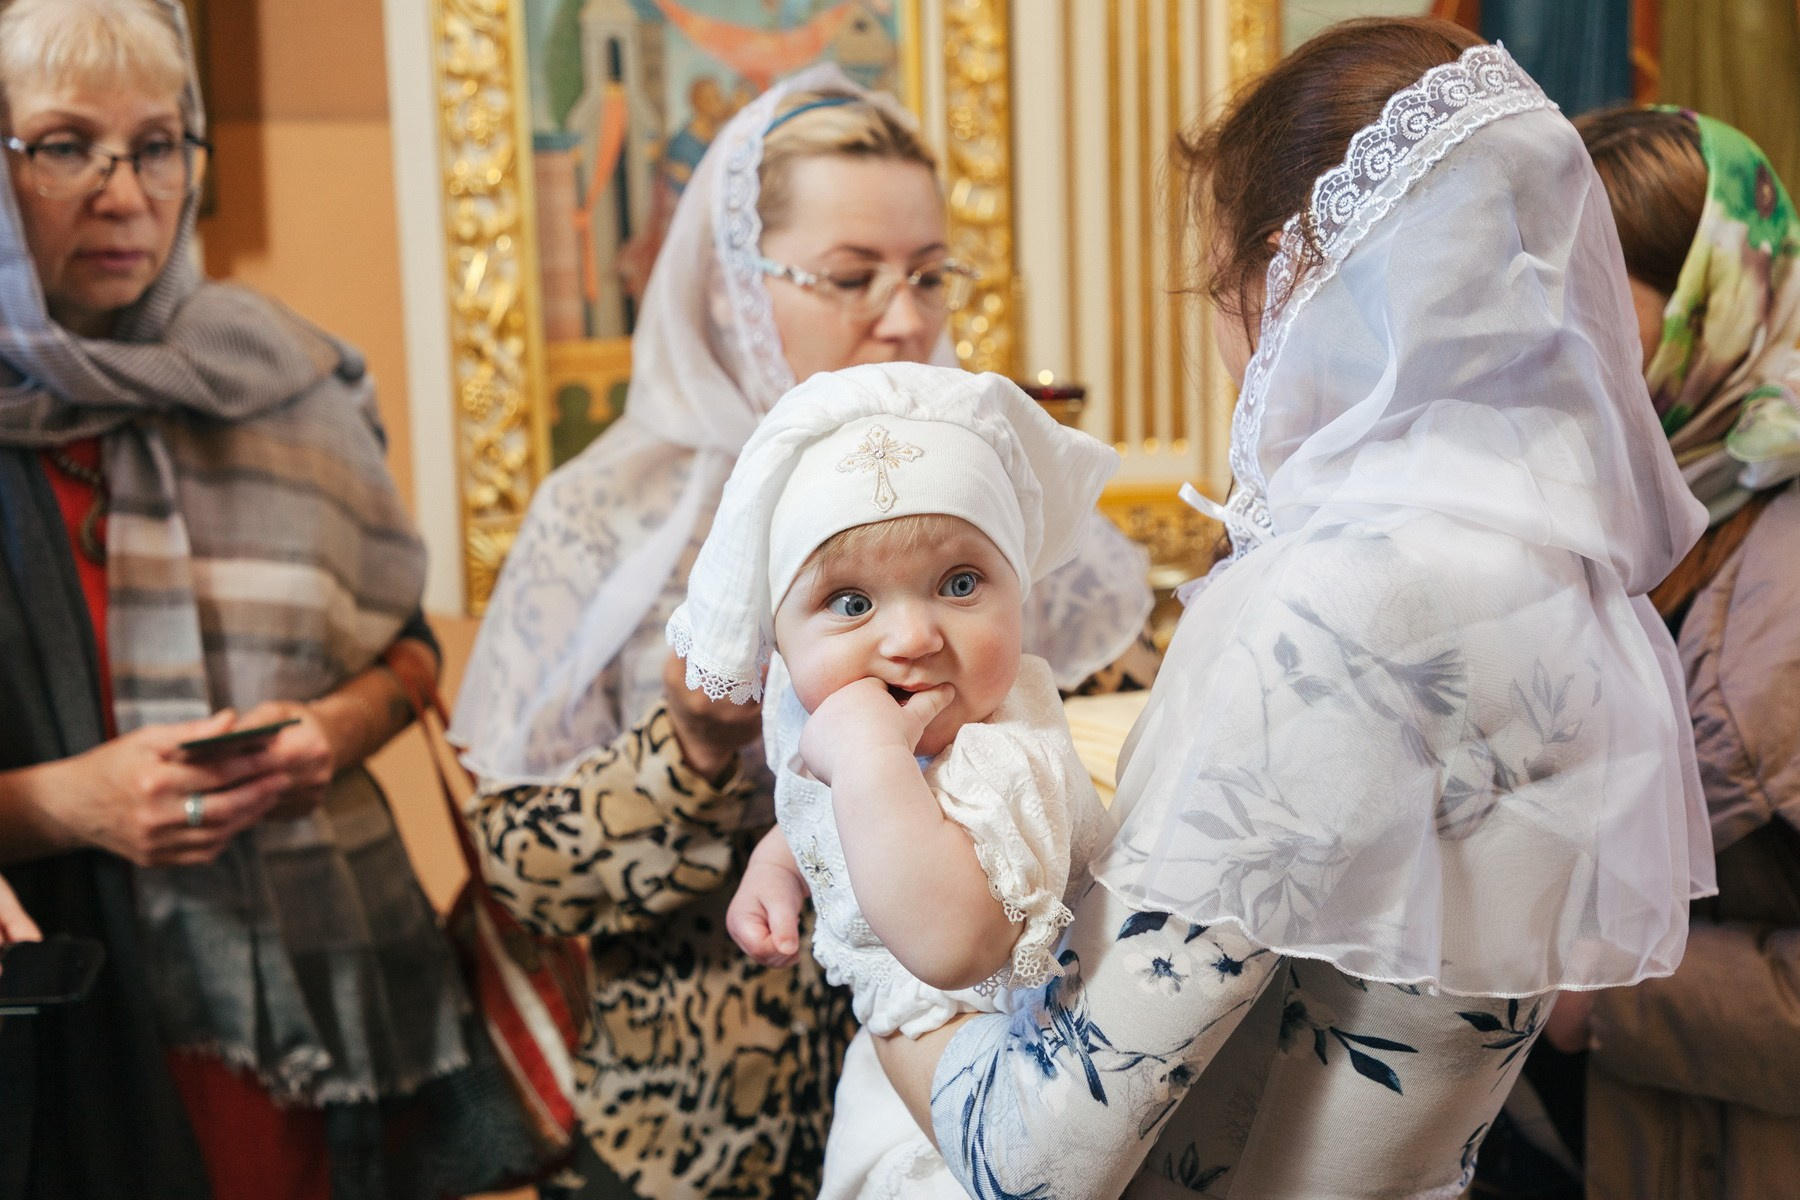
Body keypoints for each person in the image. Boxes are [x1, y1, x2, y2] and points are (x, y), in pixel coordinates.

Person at [869, 21, 1716, 1197]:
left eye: (1219, 278)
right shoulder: (1566, 579)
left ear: (1287, 269)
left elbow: (1040, 1165)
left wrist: (856, 904)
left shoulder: (1335, 603)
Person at [453, 67, 1156, 1199]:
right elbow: (522, 866)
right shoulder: (607, 517)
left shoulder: (980, 507)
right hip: (702, 1129)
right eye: (851, 276)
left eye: (930, 274)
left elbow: (1128, 760)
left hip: (967, 1108)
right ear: (737, 284)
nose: (906, 317)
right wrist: (687, 747)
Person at [0, 3, 490, 1198]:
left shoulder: (286, 380)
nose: (125, 193)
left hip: (314, 1016)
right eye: (66, 145)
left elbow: (410, 651)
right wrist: (69, 806)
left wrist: (335, 732)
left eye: (159, 144)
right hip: (68, 1031)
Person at [676, 363, 1112, 1198]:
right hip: (893, 1086)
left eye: (959, 584)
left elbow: (953, 943)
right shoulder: (863, 745)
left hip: (1009, 1085)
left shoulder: (1007, 753)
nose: (911, 635)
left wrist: (869, 757)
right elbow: (822, 816)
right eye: (849, 603)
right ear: (780, 647)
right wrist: (776, 869)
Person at [1531, 106, 1800, 1200]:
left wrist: (1604, 998)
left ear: (1711, 294)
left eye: (1588, 290)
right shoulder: (1619, 509)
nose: (1552, 334)